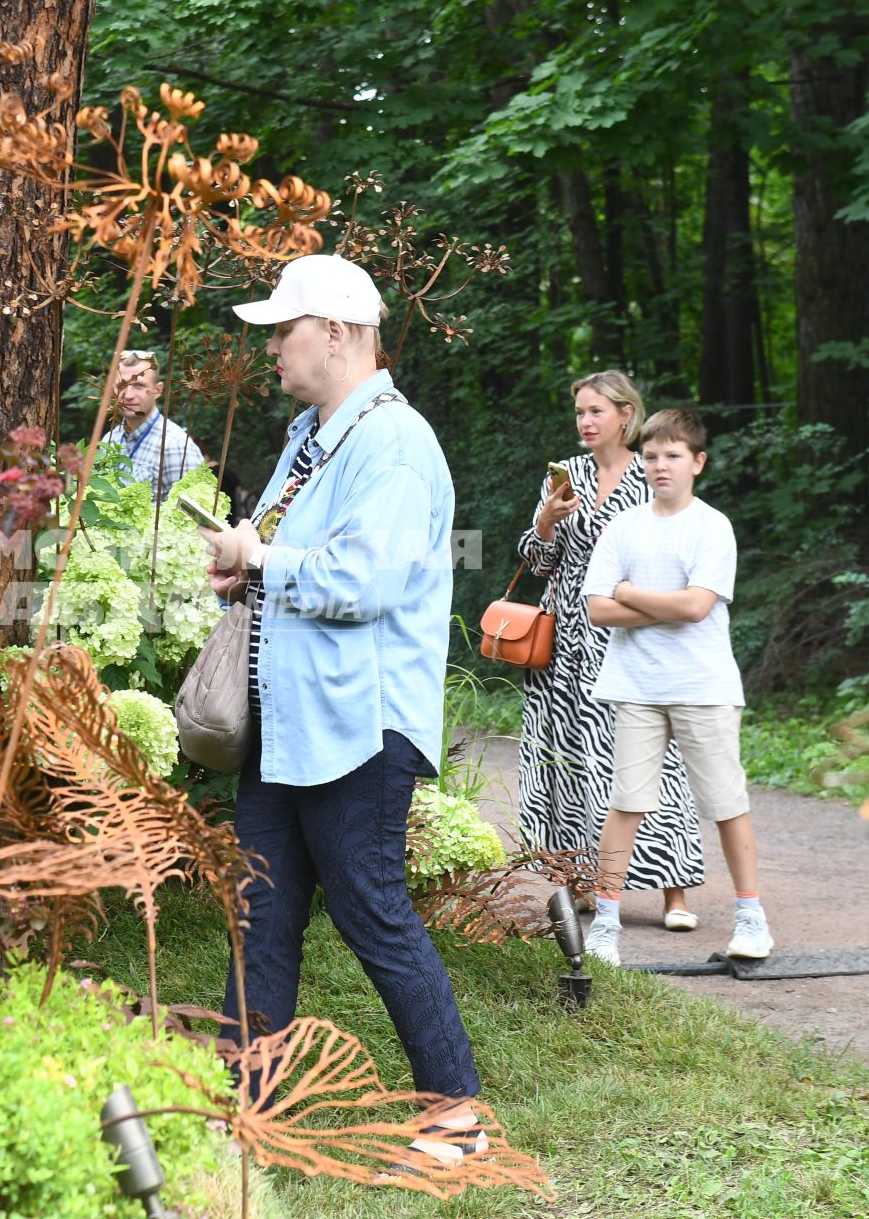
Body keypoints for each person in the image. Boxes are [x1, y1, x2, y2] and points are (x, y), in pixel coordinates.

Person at [197, 253, 482, 1127]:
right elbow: (290, 556)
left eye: (283, 330)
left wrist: (262, 559)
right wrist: (244, 561)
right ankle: (250, 1106)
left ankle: (455, 1116)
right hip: (289, 725)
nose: (272, 348)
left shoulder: (393, 440)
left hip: (358, 726)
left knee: (373, 916)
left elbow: (363, 584)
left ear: (337, 334)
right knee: (260, 913)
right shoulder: (310, 434)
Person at [580, 407, 772, 966]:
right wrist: (655, 602)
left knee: (726, 803)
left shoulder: (713, 526)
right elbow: (596, 609)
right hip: (636, 686)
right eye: (651, 457)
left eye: (672, 456)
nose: (660, 466)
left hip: (703, 686)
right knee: (627, 802)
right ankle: (607, 925)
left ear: (698, 462)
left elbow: (696, 607)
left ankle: (751, 919)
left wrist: (632, 593)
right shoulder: (625, 526)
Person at [515, 371, 706, 928]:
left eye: (596, 411)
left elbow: (671, 550)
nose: (585, 422)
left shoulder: (650, 475)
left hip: (626, 629)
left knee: (650, 757)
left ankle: (675, 891)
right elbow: (538, 561)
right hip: (563, 639)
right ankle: (582, 883)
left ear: (627, 415)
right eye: (579, 412)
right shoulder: (564, 475)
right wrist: (546, 525)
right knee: (571, 758)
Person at [101, 349, 206, 502]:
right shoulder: (109, 440)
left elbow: (196, 519)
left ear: (158, 390)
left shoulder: (176, 445)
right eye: (122, 385)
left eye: (138, 385)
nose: (128, 395)